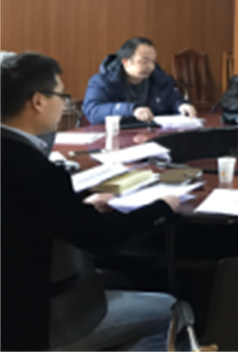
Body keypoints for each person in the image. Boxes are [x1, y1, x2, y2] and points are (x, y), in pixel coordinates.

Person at [0, 53, 179, 351]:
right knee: (170, 311)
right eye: (61, 95)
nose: (65, 104)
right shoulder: (35, 170)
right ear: (38, 101)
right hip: (36, 322)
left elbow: (28, 217)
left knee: (120, 280)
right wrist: (162, 208)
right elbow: (102, 239)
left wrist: (80, 209)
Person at [83, 37, 196, 125]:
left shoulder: (160, 79)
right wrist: (131, 110)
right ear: (126, 62)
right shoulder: (102, 82)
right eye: (144, 61)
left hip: (153, 136)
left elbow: (174, 100)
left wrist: (182, 105)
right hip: (117, 136)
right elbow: (93, 111)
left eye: (153, 61)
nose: (150, 67)